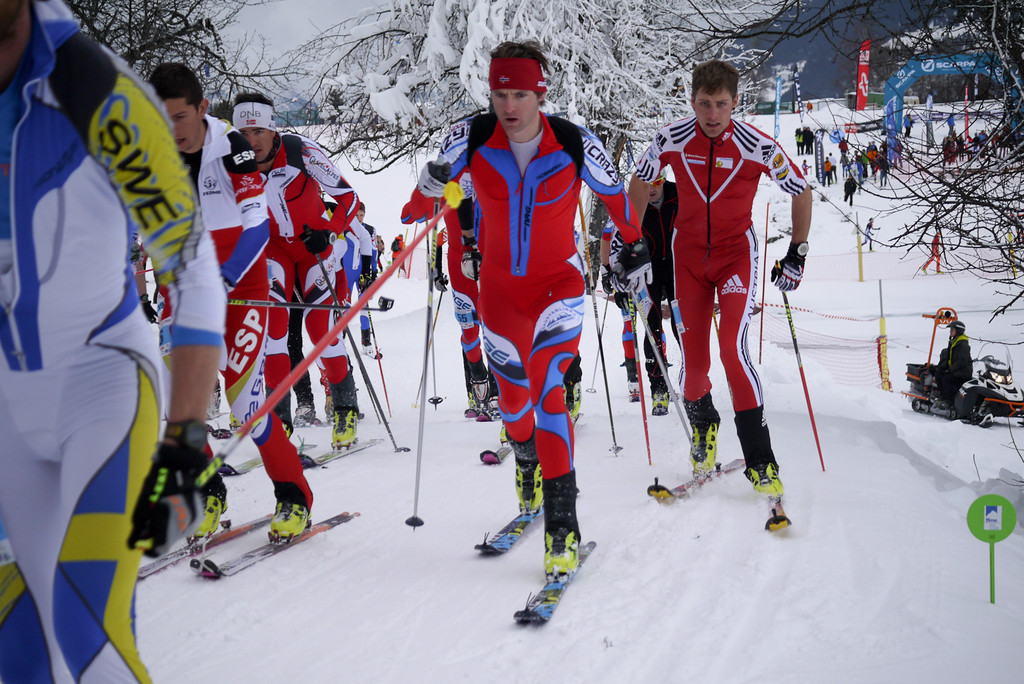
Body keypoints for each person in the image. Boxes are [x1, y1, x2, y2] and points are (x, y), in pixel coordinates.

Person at [0, 2, 225, 680]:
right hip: (10, 412)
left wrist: (185, 441)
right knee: (18, 651)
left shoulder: (96, 90)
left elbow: (192, 270)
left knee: (86, 630)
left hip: (100, 385)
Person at [402, 40, 650, 580]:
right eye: (498, 94)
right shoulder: (468, 139)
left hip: (557, 290)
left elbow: (617, 202)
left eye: (518, 94)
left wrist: (633, 243)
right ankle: (527, 463)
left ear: (540, 93)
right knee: (514, 408)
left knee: (548, 392)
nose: (508, 106)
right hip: (498, 296)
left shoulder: (574, 142)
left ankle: (563, 526)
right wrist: (427, 187)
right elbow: (415, 210)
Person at [628, 58, 812, 498]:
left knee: (732, 347)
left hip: (734, 257)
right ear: (693, 101)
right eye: (705, 104)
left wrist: (797, 252)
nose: (712, 115)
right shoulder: (670, 138)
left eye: (721, 105)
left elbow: (801, 190)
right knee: (693, 364)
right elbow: (638, 183)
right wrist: (630, 242)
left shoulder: (757, 145)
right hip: (687, 259)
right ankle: (705, 426)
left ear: (735, 104)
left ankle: (760, 460)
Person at [149, 63, 315, 542]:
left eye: (180, 117)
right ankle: (207, 493)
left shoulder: (233, 150)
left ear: (202, 109)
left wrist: (220, 280)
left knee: (248, 409)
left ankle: (293, 496)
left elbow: (258, 228)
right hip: (183, 287)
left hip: (240, 283)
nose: (172, 130)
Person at [233, 92, 372, 450]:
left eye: (258, 132)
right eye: (244, 134)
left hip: (315, 247)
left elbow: (348, 198)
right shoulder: (233, 161)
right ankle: (280, 420)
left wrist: (330, 231)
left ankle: (345, 408)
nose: (252, 142)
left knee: (321, 328)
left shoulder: (301, 152)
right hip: (275, 250)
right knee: (272, 332)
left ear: (272, 129)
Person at [602, 171, 679, 414]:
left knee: (683, 328)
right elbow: (610, 237)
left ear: (664, 180)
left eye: (657, 182)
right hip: (648, 272)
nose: (652, 188)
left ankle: (693, 383)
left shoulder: (679, 194)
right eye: (648, 183)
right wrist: (609, 273)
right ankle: (658, 389)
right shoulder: (633, 201)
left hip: (678, 269)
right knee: (652, 325)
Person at [933, 321, 972, 407]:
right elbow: (949, 358)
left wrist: (950, 369)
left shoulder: (963, 344)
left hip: (963, 372)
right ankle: (941, 395)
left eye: (952, 329)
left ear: (958, 331)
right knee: (939, 373)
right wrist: (941, 367)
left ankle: (948, 400)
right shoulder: (954, 341)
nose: (950, 331)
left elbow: (962, 361)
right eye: (950, 329)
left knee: (947, 378)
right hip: (956, 369)